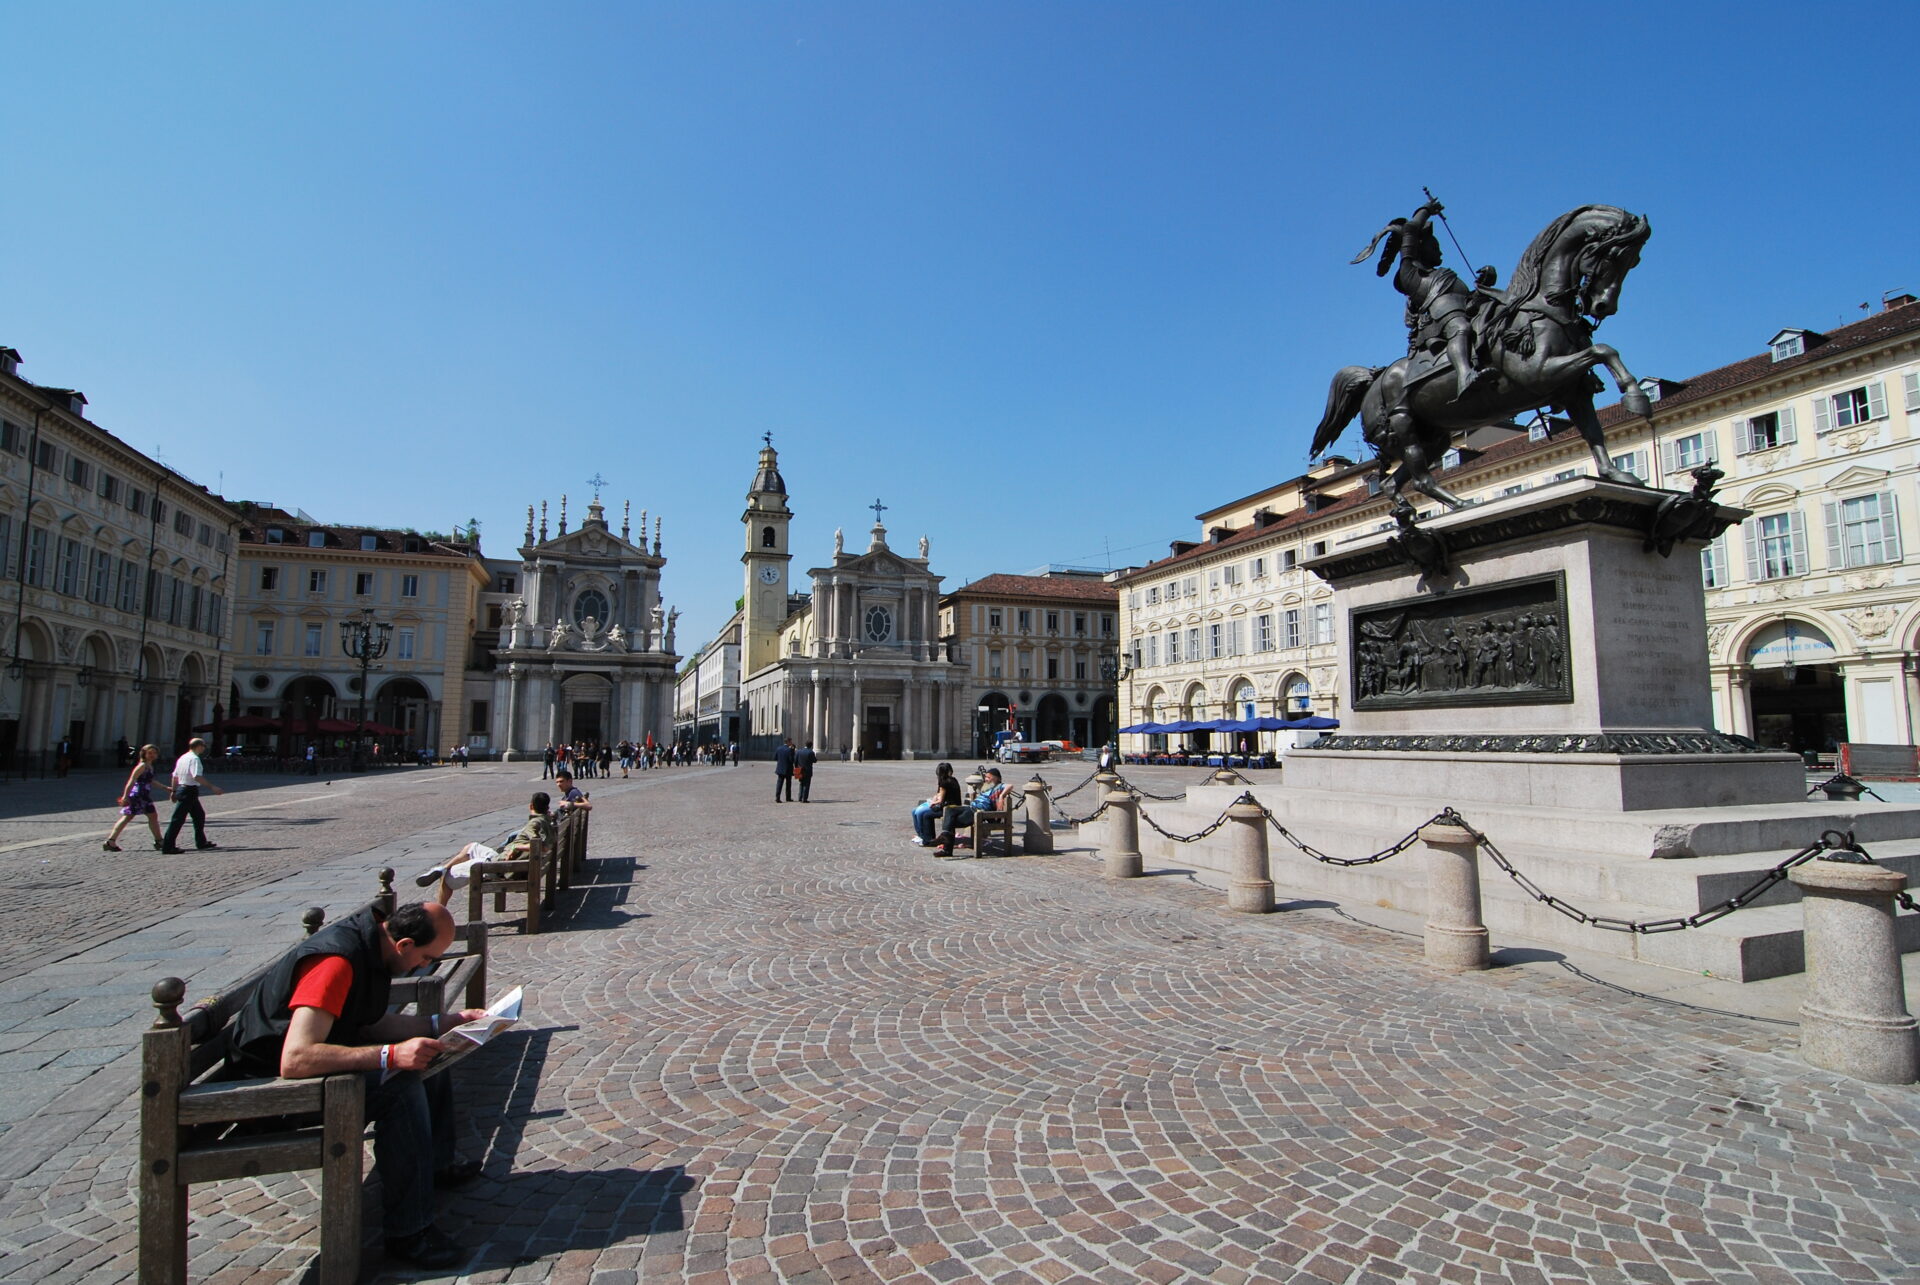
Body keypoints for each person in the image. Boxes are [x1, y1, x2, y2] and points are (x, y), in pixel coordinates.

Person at [221, 900, 489, 1270]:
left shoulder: (372, 948)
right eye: (427, 958)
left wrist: (445, 1023)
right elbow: (295, 1058)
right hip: (265, 1093)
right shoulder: (337, 962)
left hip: (304, 1069)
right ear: (404, 945)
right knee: (400, 1091)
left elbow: (369, 1026)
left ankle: (436, 1166)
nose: (426, 967)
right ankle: (409, 1233)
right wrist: (389, 1057)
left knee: (431, 1056)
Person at [1353, 197, 1494, 403]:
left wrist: (1486, 282)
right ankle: (1465, 375)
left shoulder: (1444, 274)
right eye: (1435, 245)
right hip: (1441, 320)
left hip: (1463, 310)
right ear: (1420, 246)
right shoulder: (1410, 274)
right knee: (1461, 328)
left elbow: (1471, 300)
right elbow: (1410, 228)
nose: (1440, 251)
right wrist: (1426, 210)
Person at [415, 793, 554, 901]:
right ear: (547, 807)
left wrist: (516, 847)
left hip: (500, 867)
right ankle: (441, 868)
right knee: (472, 847)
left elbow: (542, 846)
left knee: (446, 879)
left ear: (531, 806)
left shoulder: (534, 823)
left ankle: (439, 916)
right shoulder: (546, 821)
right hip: (504, 861)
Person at [160, 738, 224, 853]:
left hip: (182, 789)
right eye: (203, 745)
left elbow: (175, 776)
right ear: (199, 746)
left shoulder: (183, 757)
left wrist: (174, 791)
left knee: (199, 815)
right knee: (178, 819)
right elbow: (196, 776)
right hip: (189, 791)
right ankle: (168, 845)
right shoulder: (194, 759)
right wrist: (212, 787)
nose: (204, 748)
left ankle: (201, 842)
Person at [105, 743, 169, 852]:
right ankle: (159, 841)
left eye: (154, 753)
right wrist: (125, 796)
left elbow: (150, 781)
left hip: (144, 794)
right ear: (144, 754)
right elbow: (131, 780)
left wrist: (165, 788)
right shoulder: (142, 766)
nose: (152, 755)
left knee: (148, 816)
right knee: (134, 817)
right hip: (138, 795)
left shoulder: (149, 766)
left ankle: (111, 841)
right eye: (149, 753)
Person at [933, 767, 1007, 858]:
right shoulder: (987, 788)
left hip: (978, 811)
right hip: (971, 807)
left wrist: (1001, 796)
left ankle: (947, 848)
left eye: (989, 777)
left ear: (997, 778)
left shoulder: (999, 786)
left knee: (950, 821)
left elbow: (1010, 786)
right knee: (949, 810)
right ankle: (945, 836)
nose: (986, 779)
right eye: (986, 777)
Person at [912, 763, 962, 847]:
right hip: (953, 807)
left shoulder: (944, 782)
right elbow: (940, 794)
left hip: (949, 809)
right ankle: (925, 837)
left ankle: (927, 839)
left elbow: (940, 800)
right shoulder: (952, 780)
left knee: (925, 815)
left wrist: (931, 802)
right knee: (921, 813)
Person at [773, 738, 796, 802]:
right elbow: (792, 760)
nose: (791, 743)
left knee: (779, 784)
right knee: (788, 784)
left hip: (780, 769)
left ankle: (777, 797)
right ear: (788, 742)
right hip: (788, 769)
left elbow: (775, 758)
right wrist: (793, 751)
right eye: (791, 742)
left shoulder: (779, 748)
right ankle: (788, 798)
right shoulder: (789, 750)